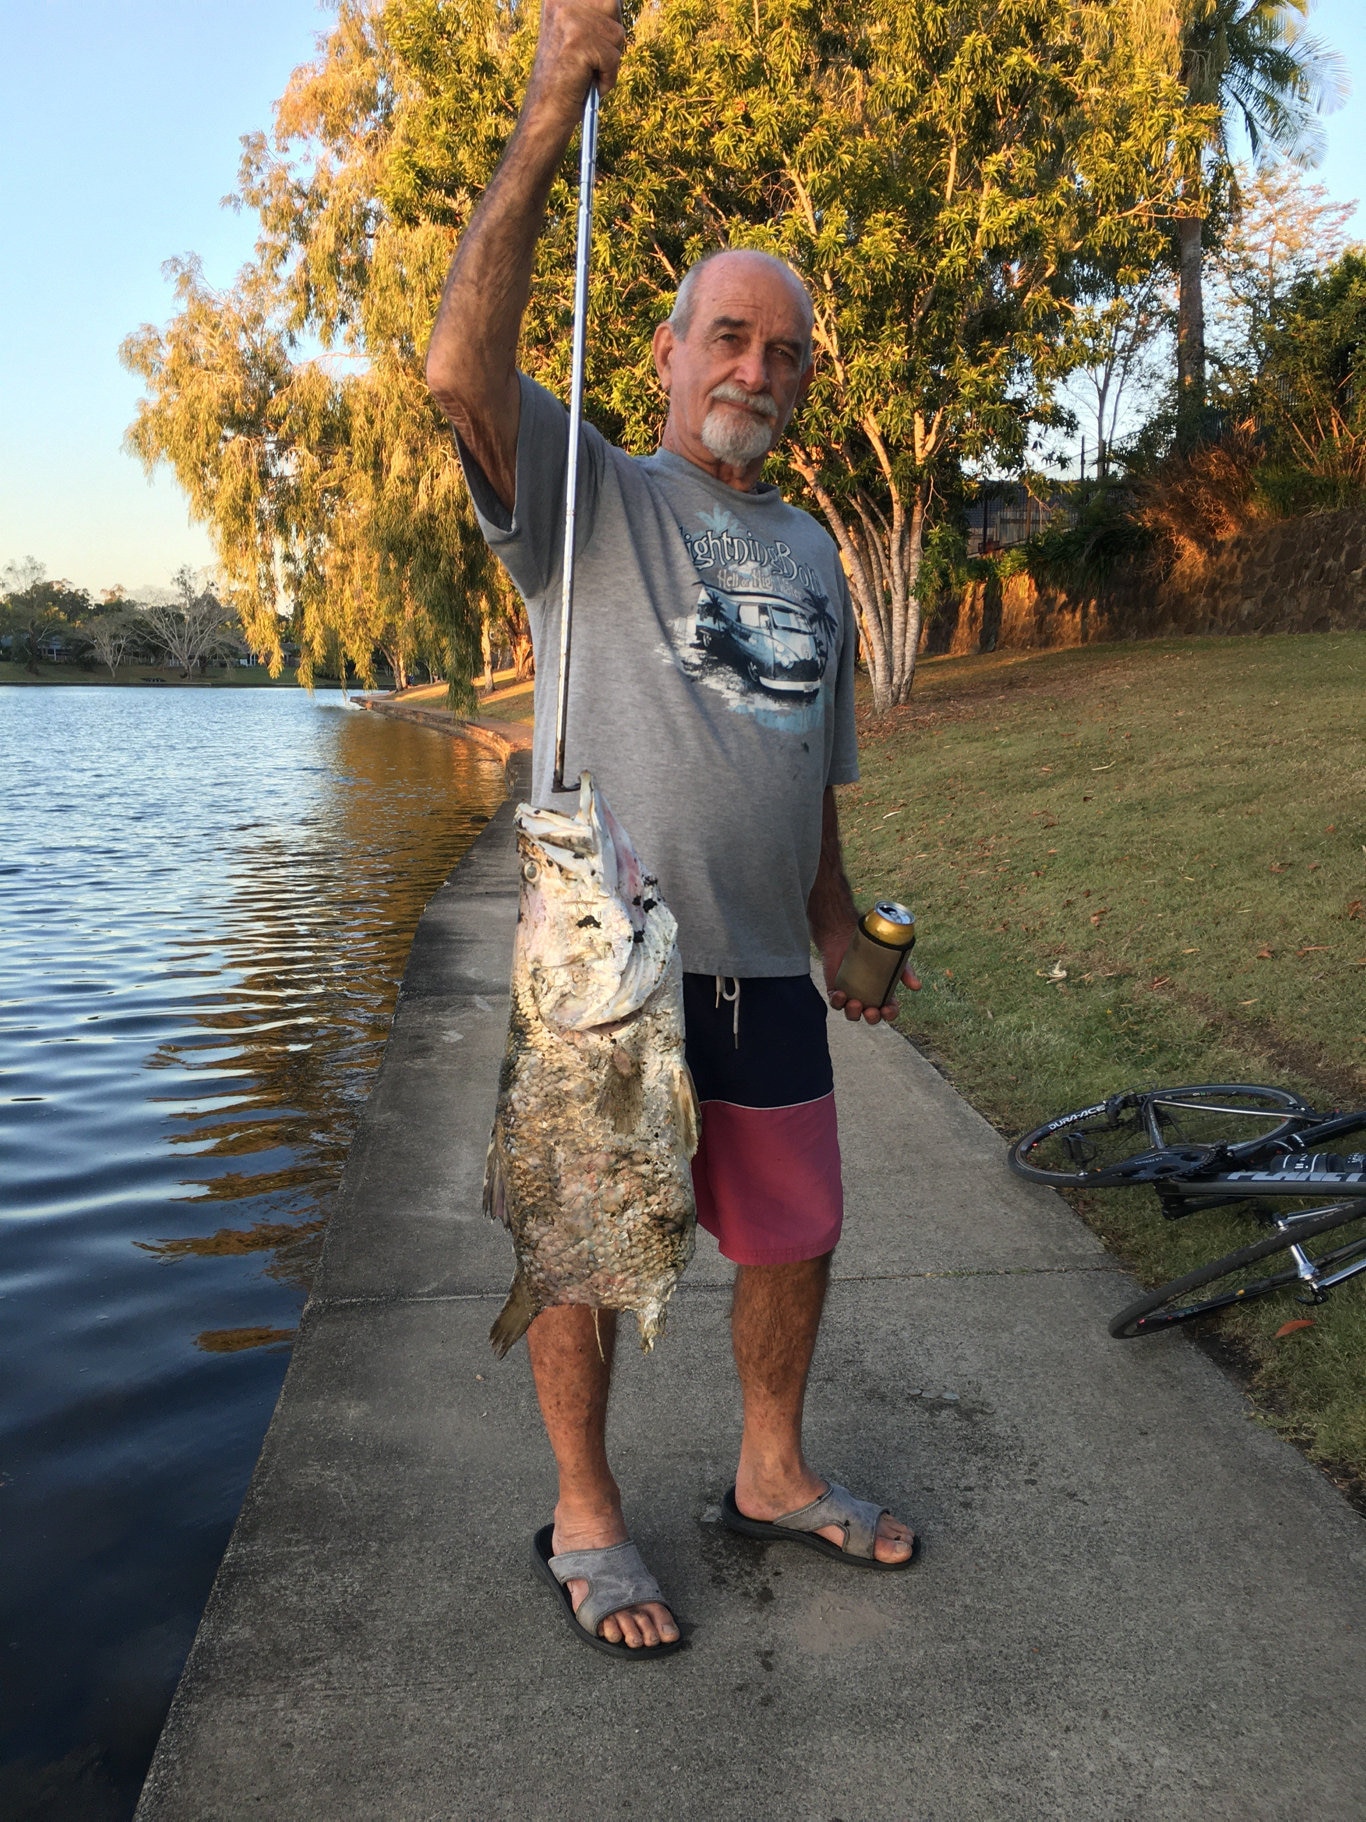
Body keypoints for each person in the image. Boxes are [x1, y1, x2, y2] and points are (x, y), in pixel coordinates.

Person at [425, 0, 920, 1657]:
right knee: (584, 1236)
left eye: (781, 352)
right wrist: (555, 95)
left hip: (769, 967)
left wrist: (839, 923)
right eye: (727, 337)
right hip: (607, 979)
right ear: (665, 354)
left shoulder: (810, 554)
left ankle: (767, 1470)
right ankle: (585, 1511)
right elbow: (453, 367)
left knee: (794, 1233)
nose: (755, 372)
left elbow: (809, 764)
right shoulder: (589, 497)